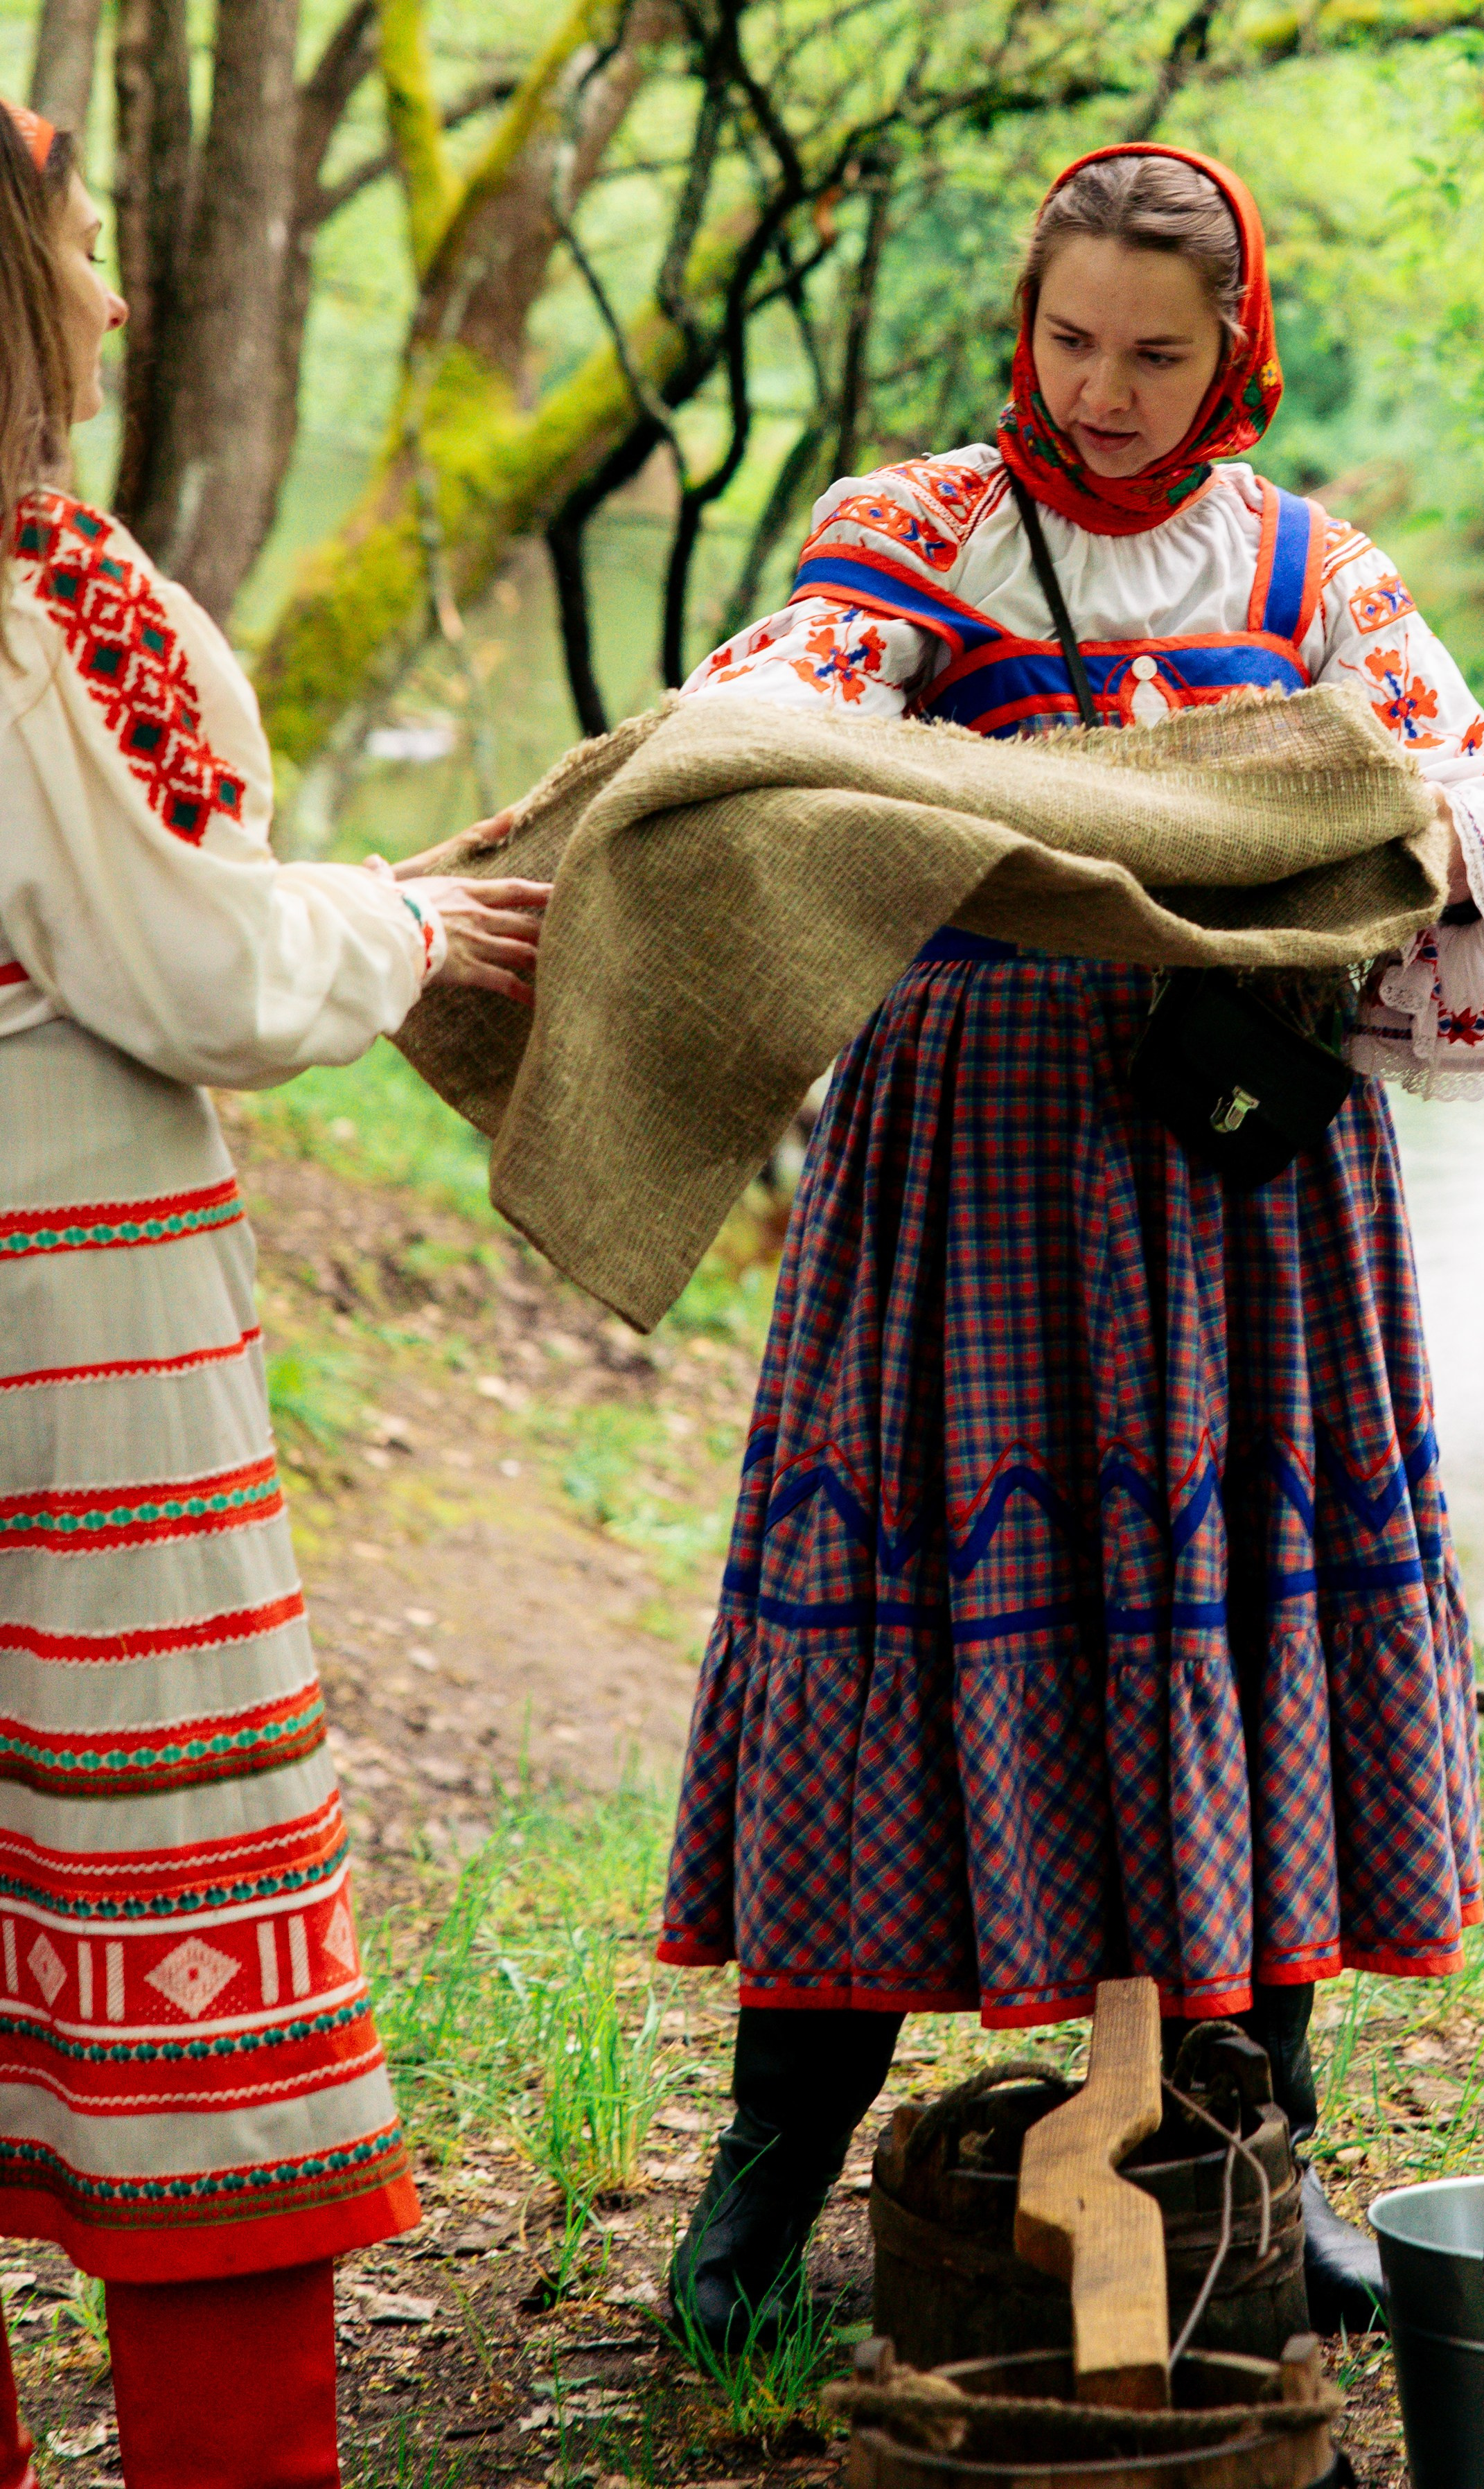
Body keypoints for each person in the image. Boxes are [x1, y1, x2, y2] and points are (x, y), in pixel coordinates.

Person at [657, 143, 1484, 2343]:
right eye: (1070, 340)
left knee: (1242, 1607)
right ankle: (752, 2217)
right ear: (1028, 321)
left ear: (1227, 348)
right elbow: (759, 724)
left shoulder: (1303, 562)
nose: (1102, 388)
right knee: (908, 1602)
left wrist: (1364, 824)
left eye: (1154, 355)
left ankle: (1258, 2189)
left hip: (1236, 1167)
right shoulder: (913, 535)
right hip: (973, 1158)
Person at [0, 99, 547, 2488]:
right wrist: (408, 924)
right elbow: (198, 969)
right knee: (158, 1884)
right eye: (91, 250)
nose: (122, 295)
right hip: (74, 1336)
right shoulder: (52, 592)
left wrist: (321, 887)